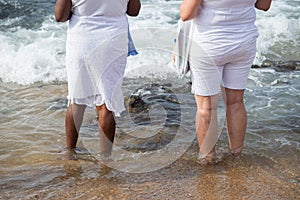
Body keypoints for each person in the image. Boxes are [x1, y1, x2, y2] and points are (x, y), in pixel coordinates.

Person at [179, 0, 272, 163]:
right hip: (244, 42)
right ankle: (236, 156)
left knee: (206, 107)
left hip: (209, 43)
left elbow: (187, 14)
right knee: (236, 102)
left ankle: (208, 159)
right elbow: (264, 5)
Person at [54, 0, 141, 160]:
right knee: (106, 102)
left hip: (82, 40)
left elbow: (60, 16)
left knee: (76, 99)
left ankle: (69, 151)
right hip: (113, 40)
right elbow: (134, 11)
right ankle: (105, 158)